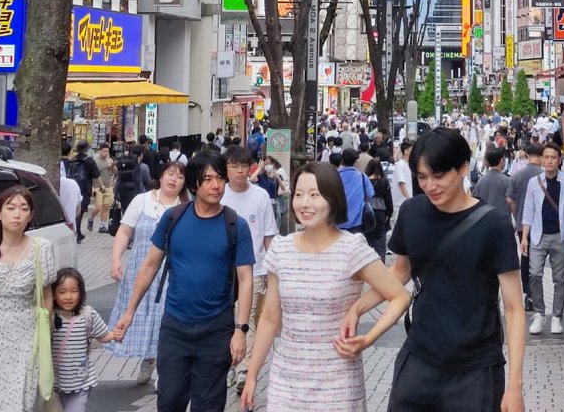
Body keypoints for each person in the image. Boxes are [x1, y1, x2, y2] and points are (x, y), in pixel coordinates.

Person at [345, 127, 525, 412]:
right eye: (422, 177)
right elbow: (399, 273)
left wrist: (514, 385)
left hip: (476, 369)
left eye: (439, 175)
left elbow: (514, 308)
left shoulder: (494, 224)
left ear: (463, 167)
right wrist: (358, 308)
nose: (430, 186)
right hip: (419, 360)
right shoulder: (412, 212)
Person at [239, 162, 409, 412]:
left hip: (337, 385)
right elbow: (269, 319)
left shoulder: (352, 249)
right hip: (285, 383)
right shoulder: (280, 249)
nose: (304, 203)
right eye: (299, 194)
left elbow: (399, 295)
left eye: (314, 195)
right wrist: (252, 376)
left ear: (333, 199)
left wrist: (367, 339)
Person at [115, 151, 255, 412]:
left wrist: (240, 330)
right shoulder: (173, 218)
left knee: (209, 404)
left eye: (220, 179)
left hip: (216, 327)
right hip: (175, 326)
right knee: (169, 400)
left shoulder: (236, 225)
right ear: (193, 185)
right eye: (208, 179)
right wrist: (130, 311)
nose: (216, 185)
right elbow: (150, 265)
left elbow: (246, 279)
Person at [107, 160, 188, 386]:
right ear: (160, 176)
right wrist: (115, 260)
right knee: (143, 318)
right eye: (170, 174)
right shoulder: (141, 201)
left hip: (171, 275)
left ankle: (163, 366)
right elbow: (124, 231)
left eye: (179, 177)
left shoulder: (186, 207)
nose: (173, 179)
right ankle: (148, 358)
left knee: (165, 320)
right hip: (140, 272)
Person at [0, 185, 56, 412]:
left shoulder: (42, 248)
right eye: (10, 208)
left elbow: (46, 298)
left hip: (25, 337)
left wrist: (43, 337)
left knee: (19, 402)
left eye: (24, 208)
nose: (17, 214)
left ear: (31, 215)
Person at [220, 145, 277, 393]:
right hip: (221, 270)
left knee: (248, 322)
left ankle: (244, 369)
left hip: (255, 270)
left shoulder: (260, 196)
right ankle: (229, 365)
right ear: (226, 169)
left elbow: (268, 236)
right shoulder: (218, 194)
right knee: (225, 320)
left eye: (244, 166)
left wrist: (274, 271)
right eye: (234, 166)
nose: (240, 171)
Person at [521, 141, 564, 336]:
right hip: (538, 235)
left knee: (559, 278)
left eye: (553, 157)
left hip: (560, 236)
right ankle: (539, 314)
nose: (549, 161)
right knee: (534, 274)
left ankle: (557, 317)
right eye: (546, 157)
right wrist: (524, 237)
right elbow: (528, 210)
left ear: (559, 160)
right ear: (541, 159)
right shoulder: (534, 182)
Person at [51, 267, 123, 410]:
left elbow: (103, 336)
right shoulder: (50, 318)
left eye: (74, 291)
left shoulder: (87, 315)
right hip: (54, 383)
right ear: (53, 294)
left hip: (81, 381)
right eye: (62, 292)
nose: (68, 296)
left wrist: (114, 335)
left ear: (81, 292)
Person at [506, 144, 543, 312]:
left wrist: (516, 214)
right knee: (539, 261)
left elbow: (509, 199)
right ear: (542, 156)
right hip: (542, 225)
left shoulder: (517, 175)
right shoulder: (545, 175)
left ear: (526, 155)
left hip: (522, 223)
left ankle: (528, 294)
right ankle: (535, 295)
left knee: (526, 258)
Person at [337, 149, 375, 234]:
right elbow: (370, 194)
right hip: (357, 221)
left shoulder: (335, 176)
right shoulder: (361, 176)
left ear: (342, 159)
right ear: (355, 161)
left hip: (338, 221)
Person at [69, 140, 100, 243]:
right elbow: (96, 175)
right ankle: (77, 233)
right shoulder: (90, 160)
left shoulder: (73, 159)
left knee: (75, 210)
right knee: (80, 211)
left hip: (74, 186)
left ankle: (76, 231)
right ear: (86, 149)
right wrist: (101, 186)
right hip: (85, 187)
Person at [364, 156, 394, 261]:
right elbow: (388, 200)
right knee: (380, 240)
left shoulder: (364, 180)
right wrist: (388, 214)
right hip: (380, 212)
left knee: (367, 240)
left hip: (367, 213)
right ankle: (381, 263)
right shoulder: (383, 181)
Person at [474, 147, 512, 215]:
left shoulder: (481, 180)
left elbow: (475, 199)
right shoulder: (507, 181)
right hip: (502, 219)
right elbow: (512, 202)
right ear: (501, 160)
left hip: (485, 218)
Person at [88, 144, 116, 232]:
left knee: (106, 206)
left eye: (107, 151)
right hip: (98, 187)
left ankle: (102, 225)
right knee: (99, 207)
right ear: (100, 151)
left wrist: (111, 166)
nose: (106, 153)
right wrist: (92, 186)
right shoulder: (95, 161)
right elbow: (92, 175)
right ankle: (91, 218)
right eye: (104, 151)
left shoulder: (109, 160)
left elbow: (116, 171)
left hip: (108, 186)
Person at [393, 140, 413, 208]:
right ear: (406, 151)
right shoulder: (400, 165)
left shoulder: (408, 165)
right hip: (400, 203)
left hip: (406, 202)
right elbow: (401, 184)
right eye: (411, 150)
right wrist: (409, 199)